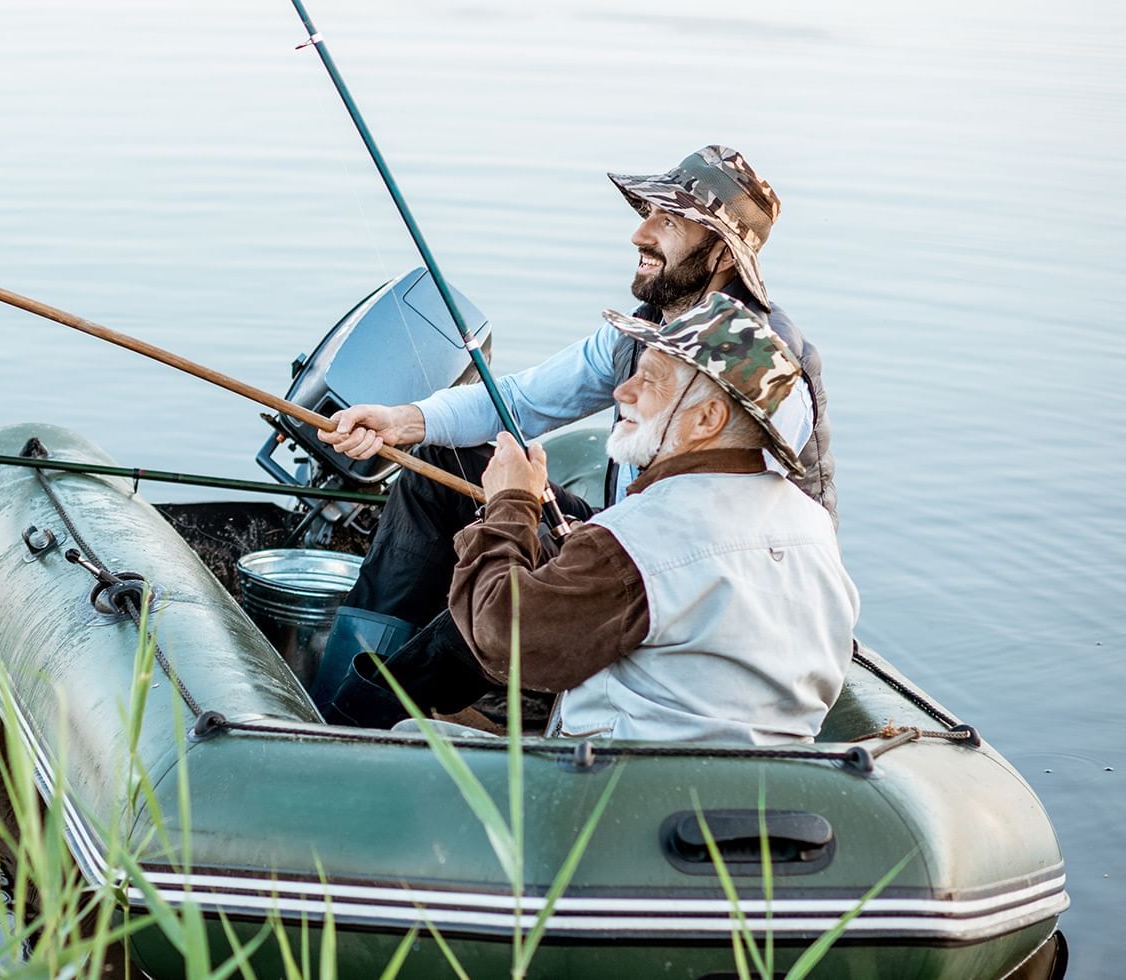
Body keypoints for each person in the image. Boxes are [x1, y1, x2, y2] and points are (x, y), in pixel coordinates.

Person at [308, 146, 836, 725]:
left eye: (668, 220)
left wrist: (577, 534)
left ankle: (365, 721)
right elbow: (526, 398)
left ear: (721, 253)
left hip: (674, 561)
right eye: (646, 212)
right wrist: (402, 419)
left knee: (507, 589)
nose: (640, 233)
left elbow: (752, 528)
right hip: (636, 533)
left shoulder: (764, 365)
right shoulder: (648, 327)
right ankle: (357, 666)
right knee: (440, 464)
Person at [342, 294, 858, 743]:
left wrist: (512, 504)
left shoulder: (639, 540)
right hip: (752, 784)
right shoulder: (811, 528)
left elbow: (498, 638)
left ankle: (344, 716)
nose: (622, 393)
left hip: (611, 791)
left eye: (650, 382)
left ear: (707, 420)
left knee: (408, 734)